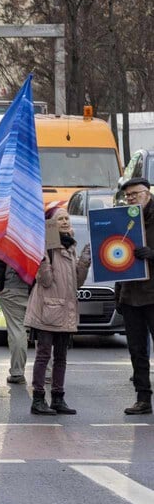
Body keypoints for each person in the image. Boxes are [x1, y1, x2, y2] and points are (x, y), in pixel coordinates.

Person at [24, 206, 90, 416]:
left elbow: (76, 283)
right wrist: (42, 258)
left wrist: (85, 261)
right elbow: (45, 280)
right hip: (47, 309)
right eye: (60, 219)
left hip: (66, 310)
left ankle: (58, 398)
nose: (64, 222)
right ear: (51, 224)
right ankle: (38, 399)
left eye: (66, 219)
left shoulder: (70, 246)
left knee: (61, 356)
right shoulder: (49, 246)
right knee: (44, 355)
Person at [0, 179, 32, 385]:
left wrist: (0, 285)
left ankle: (18, 371)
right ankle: (46, 371)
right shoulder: (33, 223)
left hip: (12, 283)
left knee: (17, 328)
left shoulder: (5, 225)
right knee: (43, 330)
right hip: (33, 283)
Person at [116, 178, 154, 415]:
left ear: (147, 193)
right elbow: (116, 258)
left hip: (153, 294)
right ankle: (143, 398)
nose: (131, 198)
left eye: (134, 194)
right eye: (127, 195)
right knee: (136, 349)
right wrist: (119, 293)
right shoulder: (124, 219)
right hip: (131, 295)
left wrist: (152, 254)